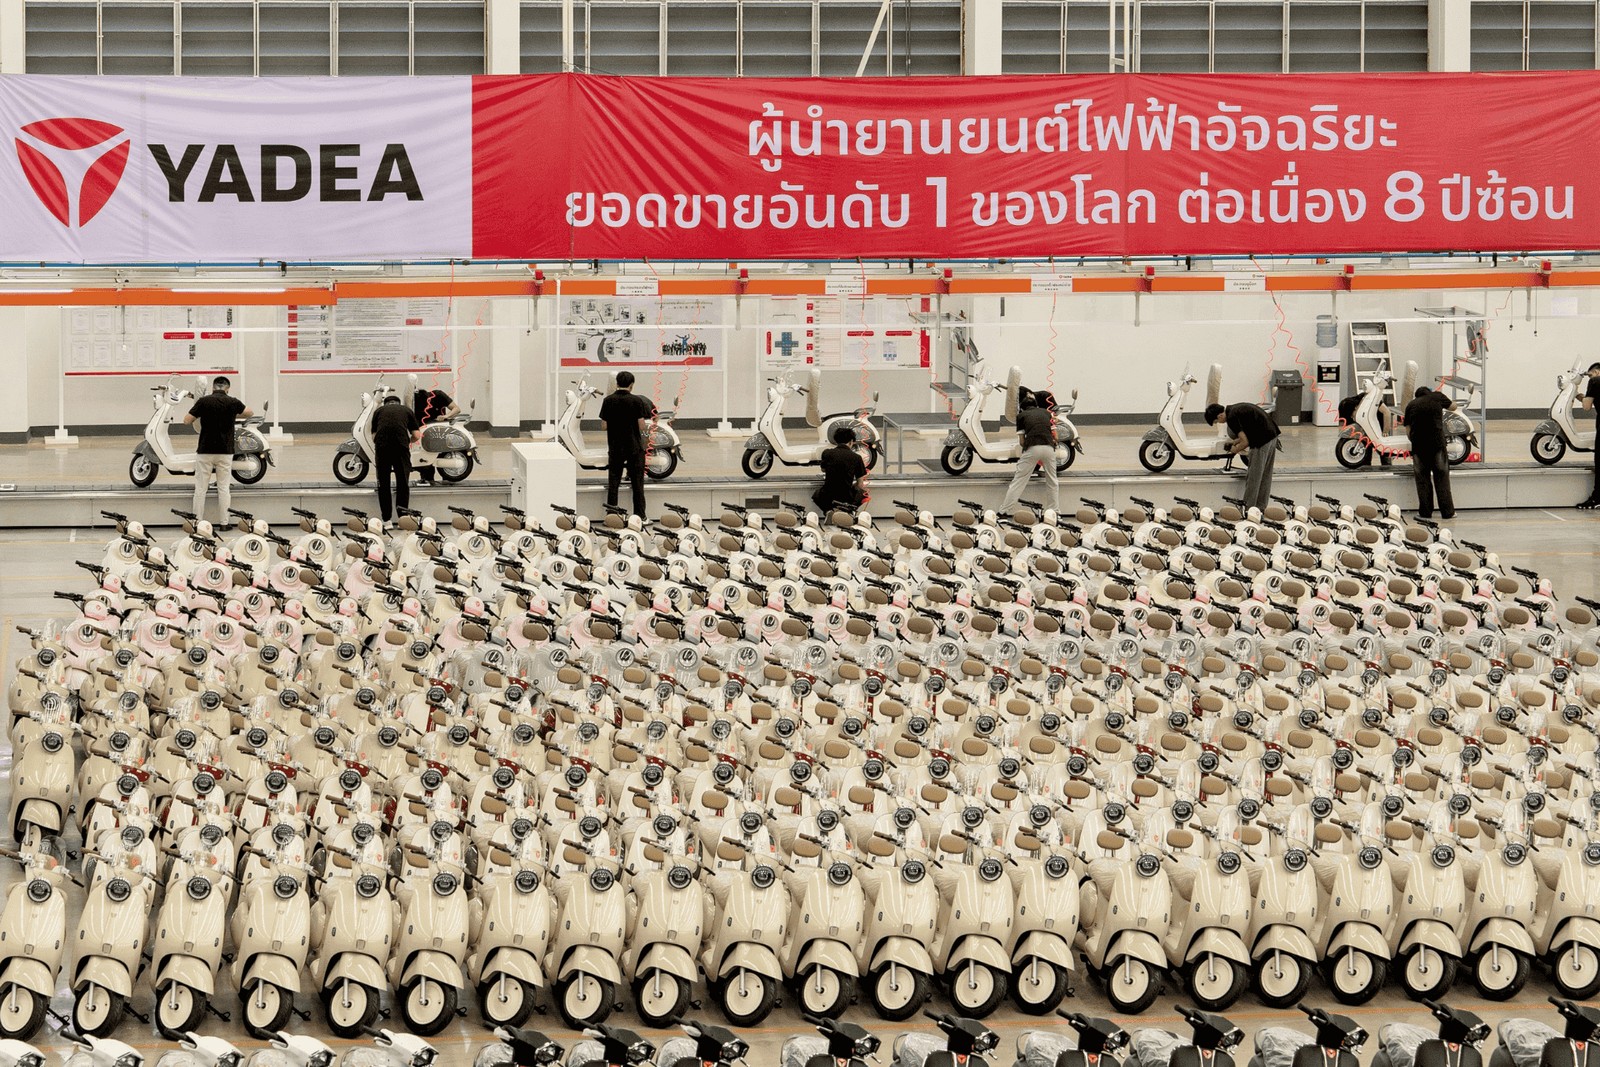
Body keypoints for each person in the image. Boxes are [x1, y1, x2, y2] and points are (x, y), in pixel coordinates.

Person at [183, 376, 249, 523]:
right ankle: (224, 523)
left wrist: (199, 415)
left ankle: (197, 522)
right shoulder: (233, 402)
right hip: (225, 451)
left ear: (213, 387)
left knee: (201, 489)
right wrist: (234, 413)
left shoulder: (203, 401)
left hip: (205, 450)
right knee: (224, 488)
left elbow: (186, 420)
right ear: (227, 388)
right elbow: (249, 413)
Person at [1205, 400, 1281, 513]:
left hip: (1262, 440)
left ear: (1220, 416)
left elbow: (1245, 442)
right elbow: (1245, 435)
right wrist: (1235, 442)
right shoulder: (1234, 409)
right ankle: (1260, 508)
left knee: (1254, 476)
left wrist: (1233, 450)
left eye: (1216, 421)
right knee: (1265, 475)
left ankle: (1248, 510)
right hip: (1272, 435)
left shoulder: (1231, 418)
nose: (1219, 423)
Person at [599, 370, 653, 516]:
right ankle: (640, 516)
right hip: (634, 447)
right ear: (631, 385)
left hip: (615, 447)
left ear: (617, 383)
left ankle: (612, 515)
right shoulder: (637, 401)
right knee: (637, 484)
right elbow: (641, 426)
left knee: (613, 483)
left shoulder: (608, 400)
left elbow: (604, 426)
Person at [998, 389, 1059, 514]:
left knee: (1019, 481)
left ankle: (1003, 512)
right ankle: (1055, 513)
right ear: (1036, 405)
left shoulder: (1021, 416)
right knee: (1052, 481)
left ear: (1022, 408)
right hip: (1049, 448)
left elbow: (1021, 441)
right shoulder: (1046, 413)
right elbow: (1056, 437)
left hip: (1032, 448)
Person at [1403, 385, 1456, 521]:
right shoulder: (1437, 396)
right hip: (1437, 443)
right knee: (1442, 478)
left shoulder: (1411, 405)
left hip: (1419, 446)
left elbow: (1408, 430)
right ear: (1429, 392)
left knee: (1423, 480)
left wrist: (1415, 440)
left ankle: (1425, 513)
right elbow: (1453, 407)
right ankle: (1448, 513)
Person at [371, 393, 421, 524]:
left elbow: (374, 437)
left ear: (386, 404)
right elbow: (417, 435)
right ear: (399, 403)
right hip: (401, 447)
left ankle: (386, 519)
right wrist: (408, 441)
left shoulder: (378, 411)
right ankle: (403, 519)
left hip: (382, 448)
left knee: (383, 484)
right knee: (403, 483)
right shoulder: (407, 410)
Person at [408, 376, 458, 485]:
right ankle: (427, 478)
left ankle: (447, 479)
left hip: (441, 432)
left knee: (442, 454)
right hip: (425, 433)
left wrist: (446, 416)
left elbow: (456, 409)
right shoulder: (415, 406)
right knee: (424, 455)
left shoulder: (439, 395)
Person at [814, 425, 868, 513]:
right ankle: (846, 511)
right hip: (847, 497)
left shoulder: (827, 453)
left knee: (817, 494)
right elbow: (860, 484)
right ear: (851, 441)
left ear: (836, 441)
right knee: (863, 493)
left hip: (828, 496)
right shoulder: (856, 457)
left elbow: (823, 470)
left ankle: (828, 511)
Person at [1579, 362, 1600, 509]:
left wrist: (1579, 396)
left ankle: (1597, 498)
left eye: (1590, 374)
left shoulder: (1595, 381)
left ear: (1597, 372)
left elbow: (1587, 407)